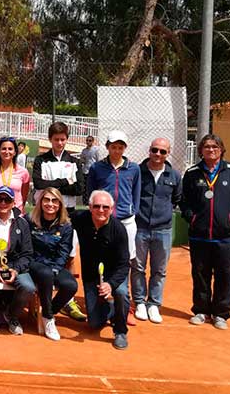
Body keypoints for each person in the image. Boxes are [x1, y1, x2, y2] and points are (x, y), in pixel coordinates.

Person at [181, 134, 230, 330]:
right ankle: (201, 311)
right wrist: (193, 218)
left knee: (225, 275)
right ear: (201, 150)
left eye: (214, 146)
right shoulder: (192, 173)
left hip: (227, 237)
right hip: (199, 236)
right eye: (207, 146)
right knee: (200, 274)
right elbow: (184, 201)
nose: (210, 150)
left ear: (221, 149)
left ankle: (221, 314)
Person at [32, 122, 85, 322]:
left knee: (69, 254)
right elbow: (39, 184)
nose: (60, 143)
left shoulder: (74, 161)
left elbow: (79, 188)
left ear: (67, 139)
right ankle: (40, 292)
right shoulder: (40, 160)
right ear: (50, 140)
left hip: (67, 214)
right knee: (42, 249)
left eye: (63, 139)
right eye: (56, 139)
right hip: (44, 213)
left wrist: (53, 186)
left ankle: (68, 299)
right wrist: (64, 183)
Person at [87, 130, 140, 326]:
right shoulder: (97, 168)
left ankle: (126, 308)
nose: (116, 150)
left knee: (127, 262)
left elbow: (136, 193)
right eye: (113, 146)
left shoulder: (133, 168)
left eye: (120, 147)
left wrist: (131, 211)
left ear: (124, 148)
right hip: (102, 222)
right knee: (101, 260)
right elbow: (90, 192)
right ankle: (102, 301)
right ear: (107, 147)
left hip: (126, 221)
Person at [73, 190, 131, 350]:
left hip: (114, 275)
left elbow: (124, 264)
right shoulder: (80, 219)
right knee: (94, 323)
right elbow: (60, 218)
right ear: (89, 207)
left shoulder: (118, 229)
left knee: (121, 293)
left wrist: (110, 285)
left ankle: (120, 330)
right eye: (96, 206)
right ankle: (113, 309)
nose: (101, 210)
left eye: (105, 207)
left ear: (111, 209)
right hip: (91, 277)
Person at [133, 138, 181, 324]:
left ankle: (153, 304)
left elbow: (176, 198)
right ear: (149, 150)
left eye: (163, 151)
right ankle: (139, 302)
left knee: (159, 270)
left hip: (163, 230)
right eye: (155, 150)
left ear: (168, 153)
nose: (158, 155)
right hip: (140, 228)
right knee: (137, 267)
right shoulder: (138, 171)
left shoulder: (174, 176)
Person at [0, 186, 35, 335]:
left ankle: (12, 315)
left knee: (28, 287)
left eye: (7, 200)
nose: (3, 203)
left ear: (13, 203)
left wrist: (15, 269)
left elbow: (27, 253)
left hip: (14, 265)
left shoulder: (22, 223)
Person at [26, 187, 78, 341]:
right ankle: (48, 319)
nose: (50, 204)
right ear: (40, 202)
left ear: (60, 204)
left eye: (54, 200)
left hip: (54, 265)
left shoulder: (66, 226)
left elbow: (64, 252)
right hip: (33, 263)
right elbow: (25, 247)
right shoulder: (30, 220)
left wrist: (56, 268)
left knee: (70, 286)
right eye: (46, 200)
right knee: (45, 274)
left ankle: (48, 311)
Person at [0, 136, 31, 212]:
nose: (7, 152)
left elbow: (24, 195)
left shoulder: (23, 172)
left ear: (15, 152)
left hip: (16, 214)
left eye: (10, 149)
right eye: (4, 149)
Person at [79, 136, 102, 204]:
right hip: (85, 171)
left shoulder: (96, 150)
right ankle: (85, 202)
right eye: (87, 140)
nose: (88, 142)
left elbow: (98, 160)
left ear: (93, 141)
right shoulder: (84, 150)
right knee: (85, 187)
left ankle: (93, 201)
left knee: (93, 187)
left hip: (93, 171)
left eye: (90, 140)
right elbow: (82, 160)